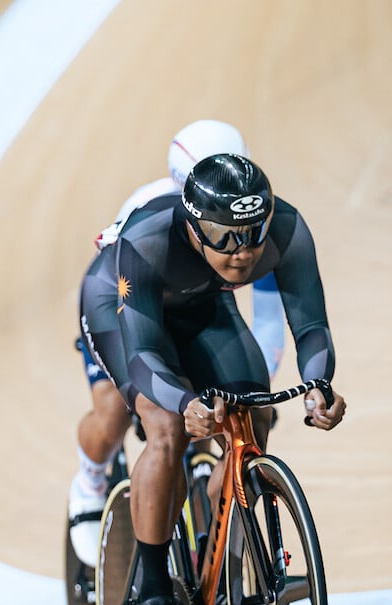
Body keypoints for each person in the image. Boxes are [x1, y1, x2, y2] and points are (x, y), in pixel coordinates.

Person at [77, 153, 346, 605]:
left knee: (252, 420)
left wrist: (319, 383)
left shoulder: (286, 227)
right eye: (224, 238)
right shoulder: (149, 238)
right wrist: (184, 404)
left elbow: (311, 325)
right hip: (118, 305)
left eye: (252, 235)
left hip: (202, 305)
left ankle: (213, 550)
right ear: (194, 228)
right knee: (165, 430)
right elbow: (142, 356)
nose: (242, 252)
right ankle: (152, 588)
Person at [68, 120, 286, 569]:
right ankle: (89, 481)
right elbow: (130, 316)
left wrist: (248, 394)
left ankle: (214, 545)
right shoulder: (147, 210)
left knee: (241, 411)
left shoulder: (249, 218)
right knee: (115, 410)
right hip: (127, 311)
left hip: (195, 315)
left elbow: (268, 320)